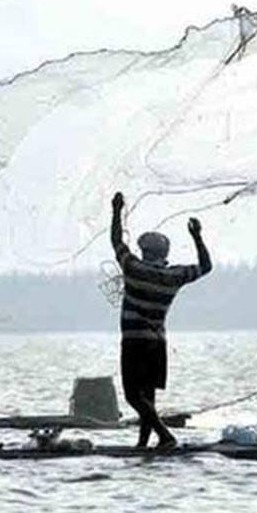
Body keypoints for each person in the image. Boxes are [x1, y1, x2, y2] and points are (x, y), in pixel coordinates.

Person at [110, 192, 212, 448]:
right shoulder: (173, 276)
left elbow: (116, 241)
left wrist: (116, 210)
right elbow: (205, 266)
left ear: (145, 252)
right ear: (163, 253)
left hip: (134, 343)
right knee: (149, 397)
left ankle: (165, 436)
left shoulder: (134, 268)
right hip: (157, 344)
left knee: (134, 396)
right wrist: (197, 236)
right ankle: (144, 444)